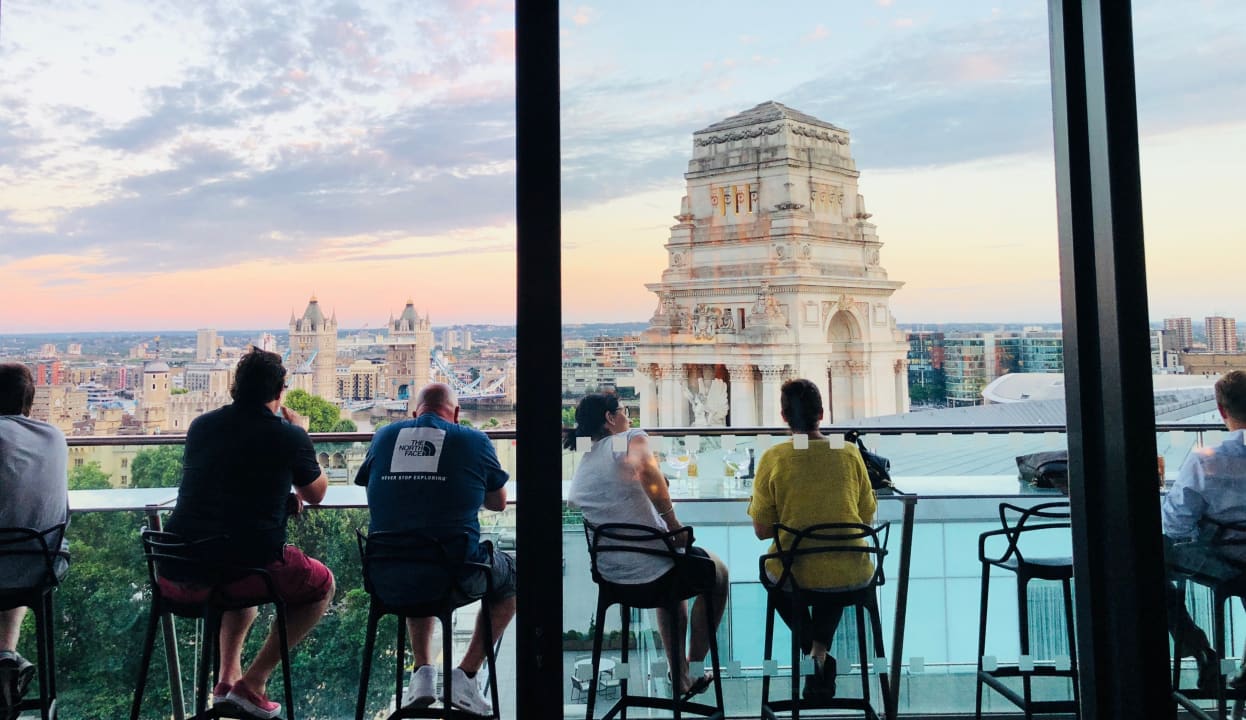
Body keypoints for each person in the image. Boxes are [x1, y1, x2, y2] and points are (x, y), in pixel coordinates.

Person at [162, 348, 333, 719]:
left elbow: (226, 483)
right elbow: (316, 494)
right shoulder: (287, 435)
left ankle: (227, 681)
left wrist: (278, 496)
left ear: (234, 387)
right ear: (280, 392)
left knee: (241, 575)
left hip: (176, 568)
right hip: (236, 568)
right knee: (322, 585)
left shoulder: (201, 426)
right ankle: (253, 683)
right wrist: (303, 437)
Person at [355, 383, 515, 716]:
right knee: (514, 575)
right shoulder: (473, 440)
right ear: (456, 414)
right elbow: (499, 503)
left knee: (415, 549)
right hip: (453, 575)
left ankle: (423, 673)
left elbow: (372, 486)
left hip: (385, 574)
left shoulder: (384, 436)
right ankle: (465, 676)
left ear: (415, 414)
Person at [566, 393, 729, 701]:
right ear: (610, 418)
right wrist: (673, 525)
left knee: (672, 579)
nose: (629, 417)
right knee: (719, 574)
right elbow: (645, 469)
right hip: (654, 573)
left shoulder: (587, 462)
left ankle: (679, 676)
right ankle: (694, 666)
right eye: (624, 411)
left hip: (613, 576)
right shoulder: (629, 438)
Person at [747, 378, 876, 701]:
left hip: (796, 573)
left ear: (784, 416)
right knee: (832, 567)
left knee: (779, 574)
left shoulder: (774, 457)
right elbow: (866, 517)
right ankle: (818, 654)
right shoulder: (848, 452)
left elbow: (762, 530)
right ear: (821, 413)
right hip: (853, 572)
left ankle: (813, 653)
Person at [1162, 370, 1246, 691]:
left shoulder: (1206, 461)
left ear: (1221, 409)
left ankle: (1198, 647)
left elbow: (1175, 525)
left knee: (1144, 567)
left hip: (1223, 564)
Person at [0, 364, 69, 716]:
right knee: (13, 556)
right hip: (41, 565)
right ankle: (5, 656)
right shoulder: (54, 437)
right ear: (28, 401)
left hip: (13, 564)